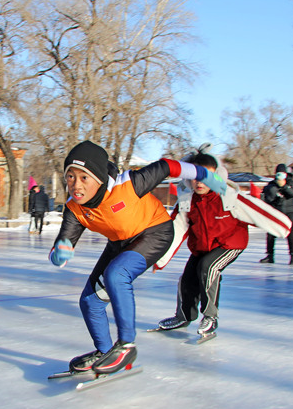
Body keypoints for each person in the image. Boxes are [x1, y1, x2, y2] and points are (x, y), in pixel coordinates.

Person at [49, 140, 228, 375]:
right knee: (89, 301)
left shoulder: (128, 185)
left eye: (84, 177)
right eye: (70, 177)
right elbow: (61, 247)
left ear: (100, 177)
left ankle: (126, 346)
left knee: (116, 275)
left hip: (155, 232)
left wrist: (205, 174)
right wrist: (60, 253)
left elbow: (167, 166)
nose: (75, 185)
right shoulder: (74, 208)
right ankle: (104, 352)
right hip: (120, 242)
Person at [153, 153, 292, 338]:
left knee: (208, 268)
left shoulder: (228, 196)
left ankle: (210, 317)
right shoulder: (187, 201)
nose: (199, 182)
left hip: (230, 244)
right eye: (194, 177)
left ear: (216, 176)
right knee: (187, 279)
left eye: (205, 177)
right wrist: (160, 259)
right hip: (202, 246)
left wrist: (283, 226)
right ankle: (184, 316)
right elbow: (176, 230)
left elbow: (257, 210)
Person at [259, 163, 293, 265]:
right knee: (271, 233)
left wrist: (284, 186)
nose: (279, 176)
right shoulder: (271, 184)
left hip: (289, 212)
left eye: (282, 173)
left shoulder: (291, 183)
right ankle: (270, 255)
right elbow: (268, 198)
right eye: (278, 173)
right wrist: (273, 190)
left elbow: (292, 193)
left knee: (290, 234)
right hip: (276, 212)